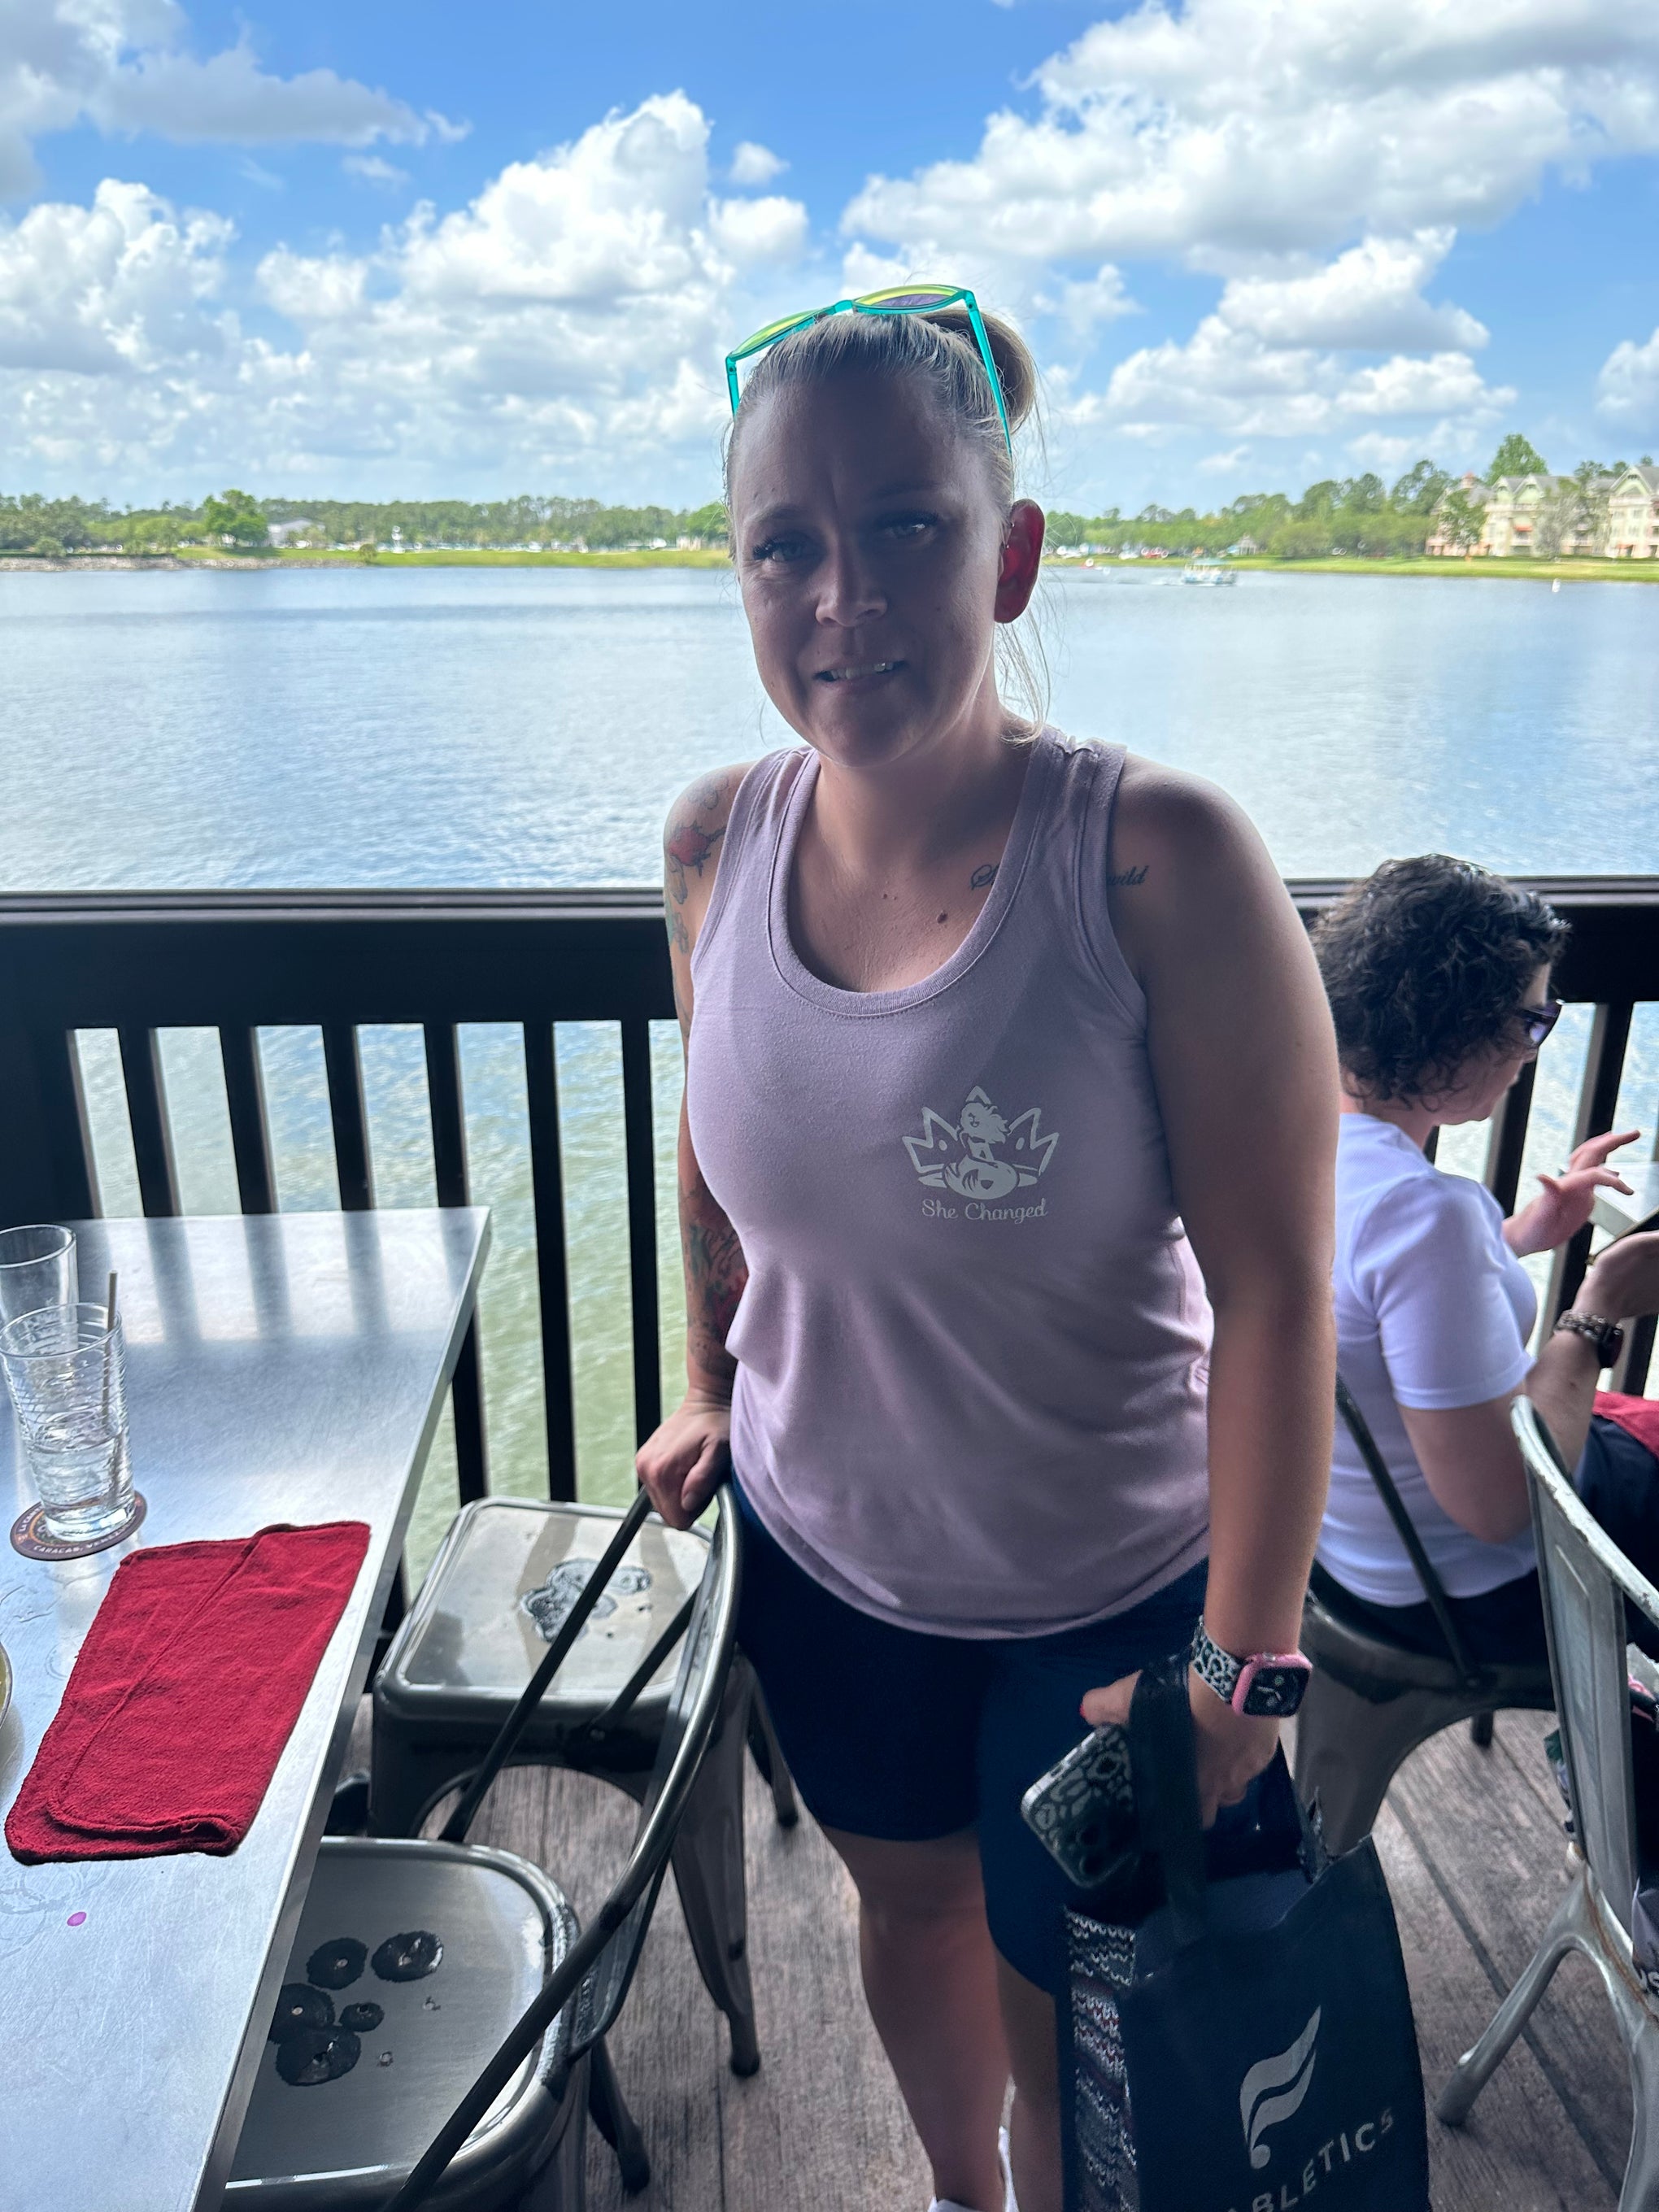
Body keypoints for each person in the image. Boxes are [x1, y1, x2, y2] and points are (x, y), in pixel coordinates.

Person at [636, 290, 1339, 2212]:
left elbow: (1277, 1296)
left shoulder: (1157, 859)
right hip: (829, 1566)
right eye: (785, 543)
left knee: (1079, 2023)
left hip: (1107, 1597)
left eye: (905, 526)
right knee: (916, 1913)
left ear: (1008, 555)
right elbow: (717, 1150)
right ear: (738, 575)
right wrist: (706, 1385)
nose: (840, 594)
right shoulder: (708, 844)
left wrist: (1244, 1666)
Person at [1310, 855, 1659, 1665]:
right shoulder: (1423, 1215)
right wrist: (1600, 1304)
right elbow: (1502, 1505)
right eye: (1535, 1021)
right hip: (1477, 1594)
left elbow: (1363, 1309)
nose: (1534, 1051)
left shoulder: (1291, 1151)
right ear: (1459, 1037)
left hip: (1354, 1561)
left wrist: (1518, 1238)